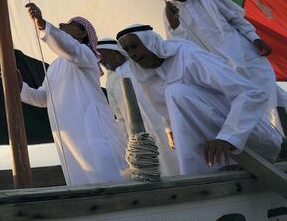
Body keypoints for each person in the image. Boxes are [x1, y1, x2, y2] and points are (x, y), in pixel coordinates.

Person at [117, 24, 281, 174]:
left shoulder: (187, 55)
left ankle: (226, 159)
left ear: (150, 41)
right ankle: (202, 172)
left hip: (251, 142)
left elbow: (251, 93)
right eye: (127, 50)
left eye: (135, 46)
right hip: (214, 155)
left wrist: (227, 137)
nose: (133, 54)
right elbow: (167, 110)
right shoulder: (144, 74)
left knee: (176, 91)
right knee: (174, 93)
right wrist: (170, 129)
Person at [19, 3, 127, 185]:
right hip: (69, 138)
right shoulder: (54, 67)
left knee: (109, 176)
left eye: (69, 24)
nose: (61, 24)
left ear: (82, 33)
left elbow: (70, 48)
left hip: (93, 130)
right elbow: (43, 98)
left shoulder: (86, 54)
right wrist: (20, 87)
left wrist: (43, 24)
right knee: (80, 181)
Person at [161, 0, 284, 131]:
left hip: (240, 50)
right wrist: (175, 24)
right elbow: (178, 43)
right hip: (215, 64)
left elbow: (236, 19)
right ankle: (270, 132)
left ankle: (278, 128)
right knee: (241, 97)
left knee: (265, 86)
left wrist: (255, 38)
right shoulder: (171, 12)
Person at [96, 38, 179, 176]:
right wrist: (127, 141)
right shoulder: (110, 81)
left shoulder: (138, 66)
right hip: (137, 135)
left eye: (101, 55)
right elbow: (119, 116)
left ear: (114, 52)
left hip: (163, 125)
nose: (100, 60)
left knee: (173, 160)